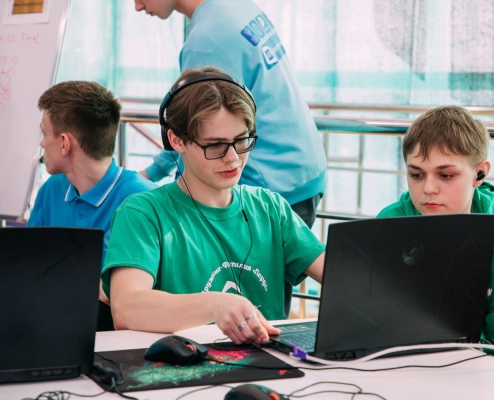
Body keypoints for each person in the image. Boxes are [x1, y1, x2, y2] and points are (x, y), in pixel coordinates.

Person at [102, 67, 325, 344]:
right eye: (215, 145)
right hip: (183, 367)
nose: (232, 158)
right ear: (176, 140)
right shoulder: (143, 213)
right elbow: (126, 308)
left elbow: (341, 276)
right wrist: (215, 305)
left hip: (268, 363)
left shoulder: (270, 207)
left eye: (241, 140)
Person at [133, 0, 327, 317]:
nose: (138, 6)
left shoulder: (207, 39)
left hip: (272, 180)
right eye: (217, 145)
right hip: (301, 171)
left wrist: (157, 177)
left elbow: (199, 122)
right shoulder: (235, 7)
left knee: (257, 299)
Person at [377, 105, 494, 373]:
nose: (428, 188)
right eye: (416, 174)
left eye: (446, 175)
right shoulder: (388, 224)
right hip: (398, 369)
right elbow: (371, 328)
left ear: (479, 173)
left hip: (478, 372)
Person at [27, 80, 158, 304]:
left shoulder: (144, 201)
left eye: (44, 134)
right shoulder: (51, 190)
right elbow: (29, 268)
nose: (41, 143)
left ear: (64, 143)